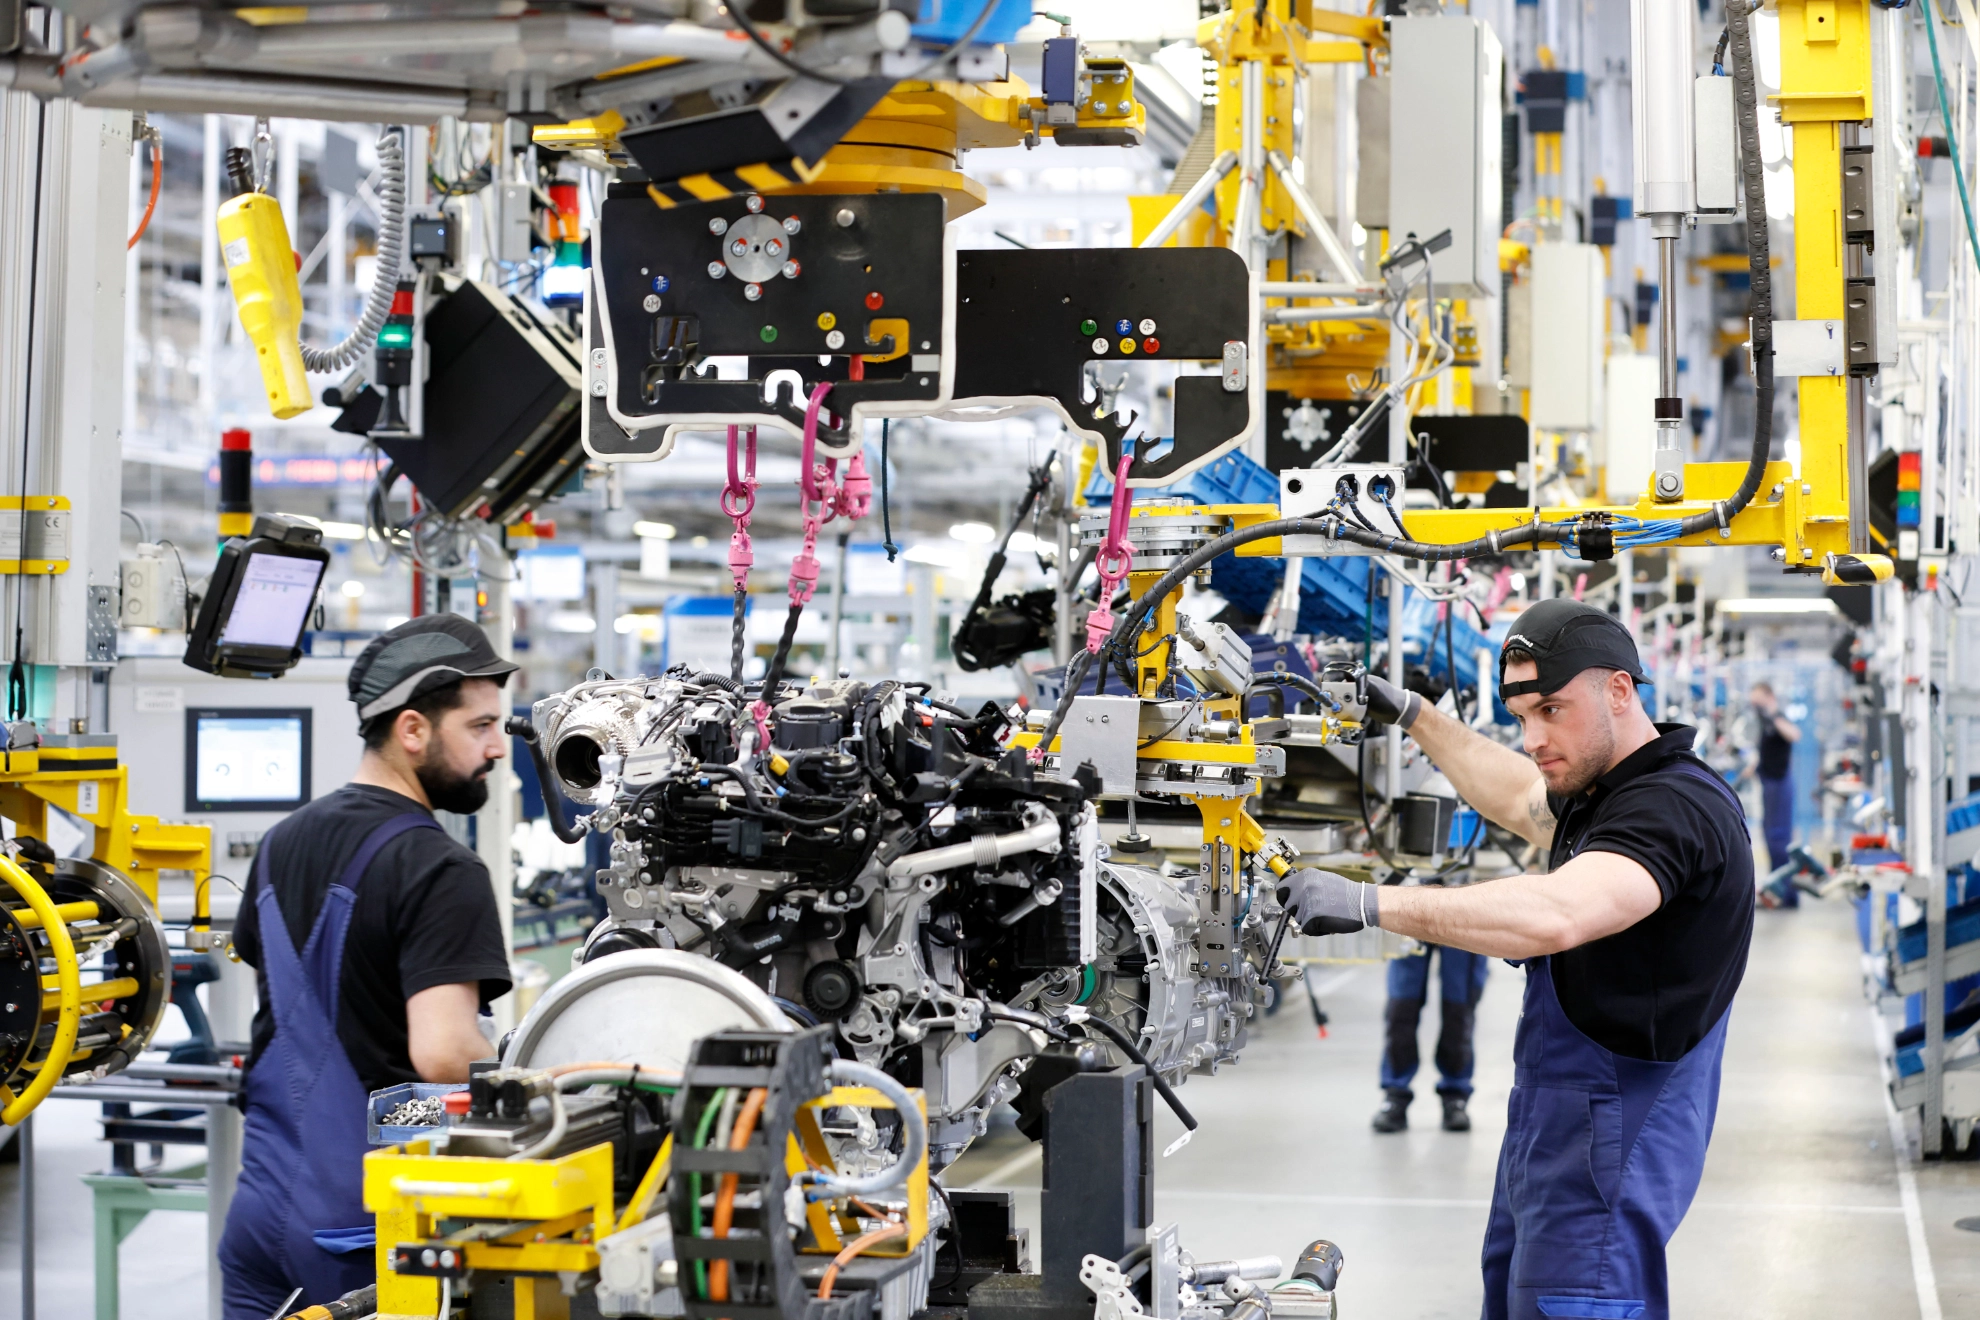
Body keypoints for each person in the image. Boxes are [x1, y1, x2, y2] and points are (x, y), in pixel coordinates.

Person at [1281, 600, 1752, 1320]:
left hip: (1608, 1149)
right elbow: (1517, 796)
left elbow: (1557, 914)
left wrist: (1372, 904)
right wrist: (1412, 712)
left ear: (1619, 690)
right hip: (1557, 1131)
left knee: (1576, 1303)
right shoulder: (1606, 792)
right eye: (1523, 715)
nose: (1533, 737)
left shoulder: (1673, 809)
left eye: (1552, 711)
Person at [218, 615, 518, 1318]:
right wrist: (537, 1073)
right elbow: (444, 1055)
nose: (499, 746)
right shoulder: (442, 867)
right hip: (361, 1232)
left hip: (260, 1216)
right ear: (413, 730)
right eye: (479, 726)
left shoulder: (279, 842)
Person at [1373, 942, 1489, 1133]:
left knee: (1458, 1009)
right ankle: (1395, 1095)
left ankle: (1455, 1096)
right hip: (1408, 917)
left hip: (1462, 916)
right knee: (1401, 1007)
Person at [1748, 682, 1802, 907]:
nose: (1756, 706)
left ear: (1769, 697)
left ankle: (1786, 894)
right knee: (1771, 839)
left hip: (1780, 785)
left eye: (1759, 700)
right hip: (1769, 783)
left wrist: (1773, 715)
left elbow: (1794, 735)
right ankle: (1776, 890)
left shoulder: (1778, 717)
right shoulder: (1764, 721)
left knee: (1779, 840)